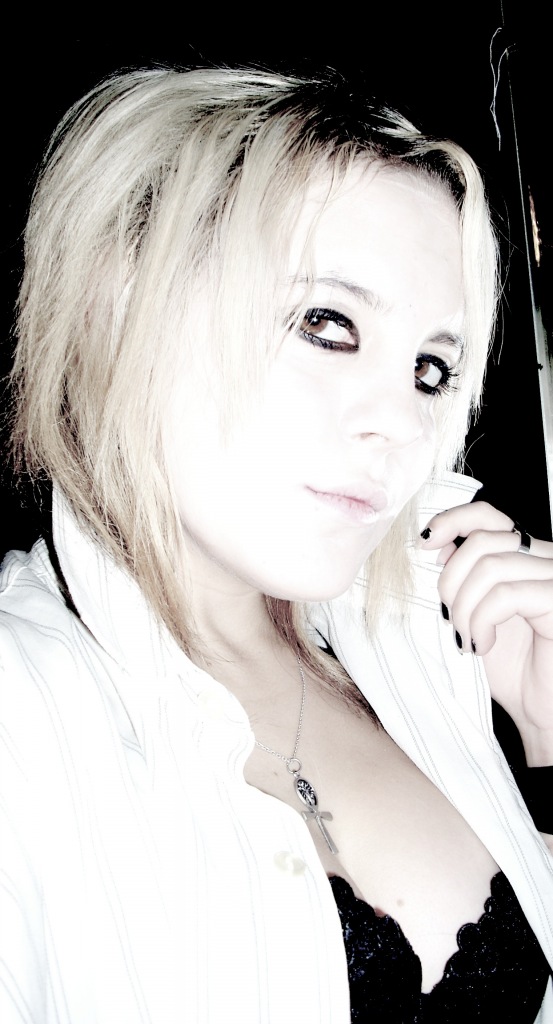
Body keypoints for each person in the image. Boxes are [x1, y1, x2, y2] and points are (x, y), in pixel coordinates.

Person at [1, 67, 552, 1023]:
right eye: (326, 324)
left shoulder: (425, 640)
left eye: (430, 370)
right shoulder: (25, 708)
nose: (402, 423)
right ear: (120, 302)